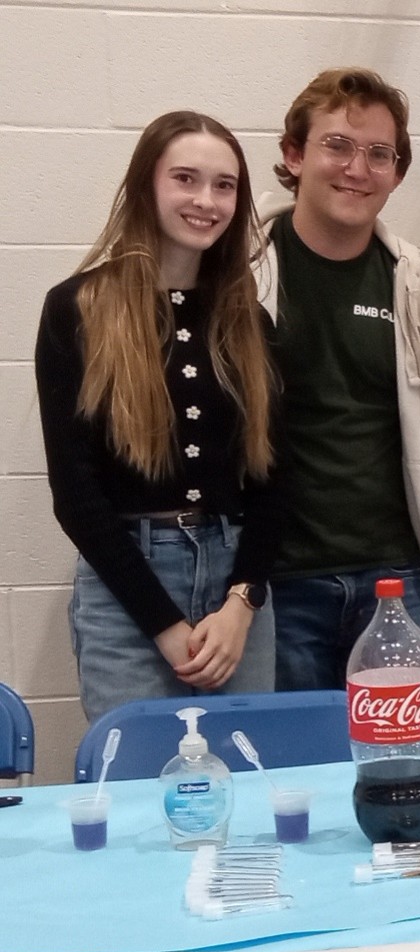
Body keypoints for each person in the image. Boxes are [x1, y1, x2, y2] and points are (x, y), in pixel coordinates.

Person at [35, 111, 280, 723]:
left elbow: (277, 480)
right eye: (186, 179)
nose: (206, 200)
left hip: (235, 589)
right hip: (129, 589)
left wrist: (242, 603)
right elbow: (75, 492)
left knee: (246, 786)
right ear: (147, 185)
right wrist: (164, 624)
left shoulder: (251, 323)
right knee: (142, 795)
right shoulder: (77, 309)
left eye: (224, 186)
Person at [258, 67, 420, 689]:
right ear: (295, 155)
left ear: (397, 173)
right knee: (295, 770)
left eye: (380, 154)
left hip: (391, 575)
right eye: (338, 146)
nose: (358, 168)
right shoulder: (241, 271)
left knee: (405, 762)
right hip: (276, 581)